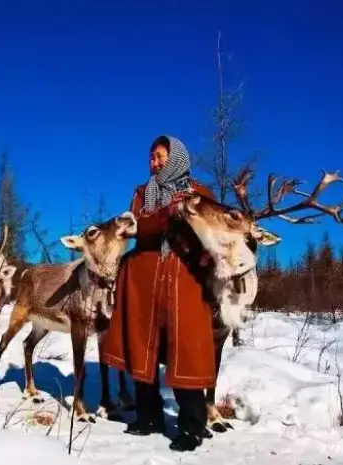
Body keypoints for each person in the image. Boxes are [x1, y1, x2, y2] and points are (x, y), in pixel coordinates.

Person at [99, 134, 217, 452]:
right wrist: (167, 215)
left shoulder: (199, 193)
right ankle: (149, 416)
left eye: (161, 156)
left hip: (185, 279)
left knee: (186, 350)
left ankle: (192, 425)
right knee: (143, 348)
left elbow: (209, 228)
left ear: (176, 157)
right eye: (151, 156)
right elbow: (136, 225)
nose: (155, 161)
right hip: (145, 279)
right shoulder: (141, 194)